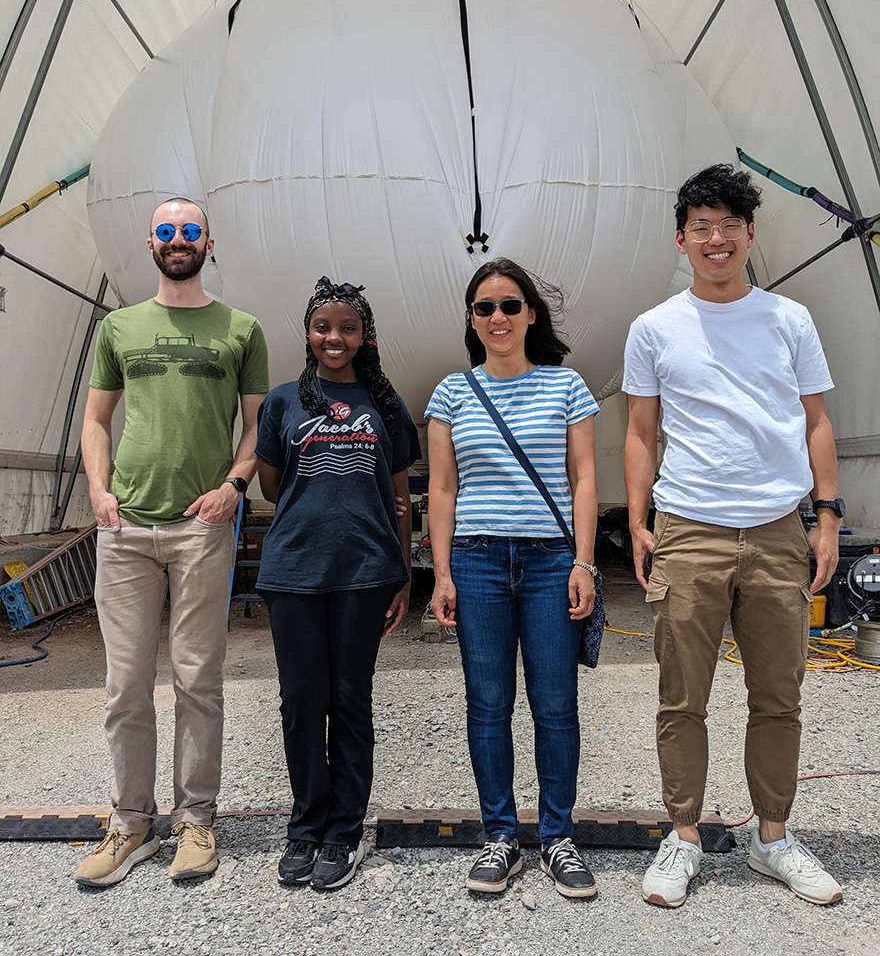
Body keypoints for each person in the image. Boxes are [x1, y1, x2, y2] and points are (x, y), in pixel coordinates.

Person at [623, 163, 843, 908]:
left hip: (778, 528)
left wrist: (828, 518)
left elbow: (816, 421)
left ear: (750, 234)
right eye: (701, 228)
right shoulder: (654, 328)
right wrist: (638, 520)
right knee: (681, 698)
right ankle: (682, 838)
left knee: (778, 696)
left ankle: (772, 838)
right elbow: (641, 432)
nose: (715, 241)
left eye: (728, 227)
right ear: (681, 240)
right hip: (690, 527)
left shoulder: (790, 320)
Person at [76, 197, 269, 887]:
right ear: (151, 244)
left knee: (198, 680)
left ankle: (195, 821)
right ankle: (130, 826)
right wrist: (100, 492)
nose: (178, 240)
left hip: (202, 526)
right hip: (125, 527)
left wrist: (235, 485)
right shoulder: (119, 326)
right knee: (124, 685)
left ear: (208, 243)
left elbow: (257, 426)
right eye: (167, 231)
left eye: (190, 231)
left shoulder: (240, 328)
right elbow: (96, 421)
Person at [426, 258, 600, 898]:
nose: (497, 317)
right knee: (489, 701)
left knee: (555, 703)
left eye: (508, 305)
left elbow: (584, 479)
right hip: (476, 560)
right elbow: (441, 488)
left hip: (551, 559)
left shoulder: (567, 387)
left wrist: (583, 561)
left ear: (531, 313)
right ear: (472, 321)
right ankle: (500, 833)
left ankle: (557, 835)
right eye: (483, 308)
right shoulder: (450, 393)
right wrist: (441, 573)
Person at [255, 276, 420, 892]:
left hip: (366, 571)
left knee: (350, 700)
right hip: (294, 571)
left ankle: (344, 830)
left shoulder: (385, 403)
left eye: (347, 328)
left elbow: (400, 496)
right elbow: (272, 487)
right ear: (308, 332)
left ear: (364, 336)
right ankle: (306, 826)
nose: (335, 337)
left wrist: (402, 573)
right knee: (302, 700)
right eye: (323, 326)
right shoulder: (282, 402)